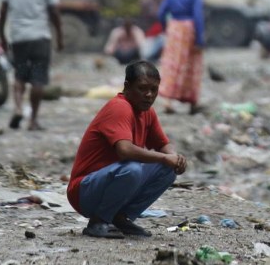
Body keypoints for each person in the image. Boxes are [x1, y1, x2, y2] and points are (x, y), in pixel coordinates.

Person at [67, 61, 187, 239]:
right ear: (127, 87)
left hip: (109, 182)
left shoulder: (147, 112)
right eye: (142, 88)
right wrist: (164, 158)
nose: (149, 95)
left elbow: (163, 145)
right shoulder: (119, 107)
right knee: (132, 169)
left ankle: (120, 218)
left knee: (167, 170)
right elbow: (125, 150)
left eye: (154, 90)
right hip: (83, 192)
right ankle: (98, 221)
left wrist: (176, 159)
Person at [0, 0, 64, 131]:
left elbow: (3, 11)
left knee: (19, 75)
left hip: (18, 36)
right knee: (38, 79)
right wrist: (59, 36)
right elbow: (54, 12)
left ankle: (18, 108)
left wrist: (2, 35)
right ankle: (33, 120)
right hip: (40, 36)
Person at [157, 0, 205, 115]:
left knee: (172, 63)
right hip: (188, 29)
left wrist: (167, 28)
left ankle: (168, 102)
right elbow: (198, 17)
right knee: (192, 65)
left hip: (174, 28)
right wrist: (200, 39)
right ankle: (192, 102)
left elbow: (161, 13)